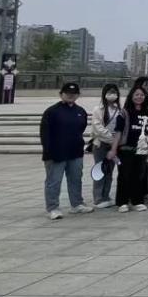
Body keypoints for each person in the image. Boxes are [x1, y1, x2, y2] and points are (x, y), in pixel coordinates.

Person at [40, 82, 94, 220]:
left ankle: (77, 204)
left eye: (74, 93)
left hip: (75, 152)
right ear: (61, 94)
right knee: (54, 181)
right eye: (67, 93)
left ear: (78, 95)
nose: (71, 95)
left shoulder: (80, 111)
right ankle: (53, 208)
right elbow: (45, 134)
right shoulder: (52, 111)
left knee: (76, 179)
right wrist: (48, 152)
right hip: (56, 153)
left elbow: (81, 129)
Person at [111, 86, 148, 212]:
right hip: (126, 149)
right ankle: (122, 202)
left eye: (142, 95)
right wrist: (113, 149)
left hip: (141, 149)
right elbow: (118, 131)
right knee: (124, 175)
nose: (139, 97)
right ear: (131, 96)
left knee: (139, 175)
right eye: (137, 95)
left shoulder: (147, 112)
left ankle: (137, 201)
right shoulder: (124, 112)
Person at [90, 83, 122, 208]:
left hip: (113, 146)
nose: (112, 94)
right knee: (100, 170)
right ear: (104, 94)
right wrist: (112, 138)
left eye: (114, 92)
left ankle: (106, 196)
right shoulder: (98, 109)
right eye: (109, 92)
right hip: (101, 144)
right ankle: (98, 198)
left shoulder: (119, 110)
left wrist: (116, 141)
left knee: (109, 171)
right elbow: (97, 127)